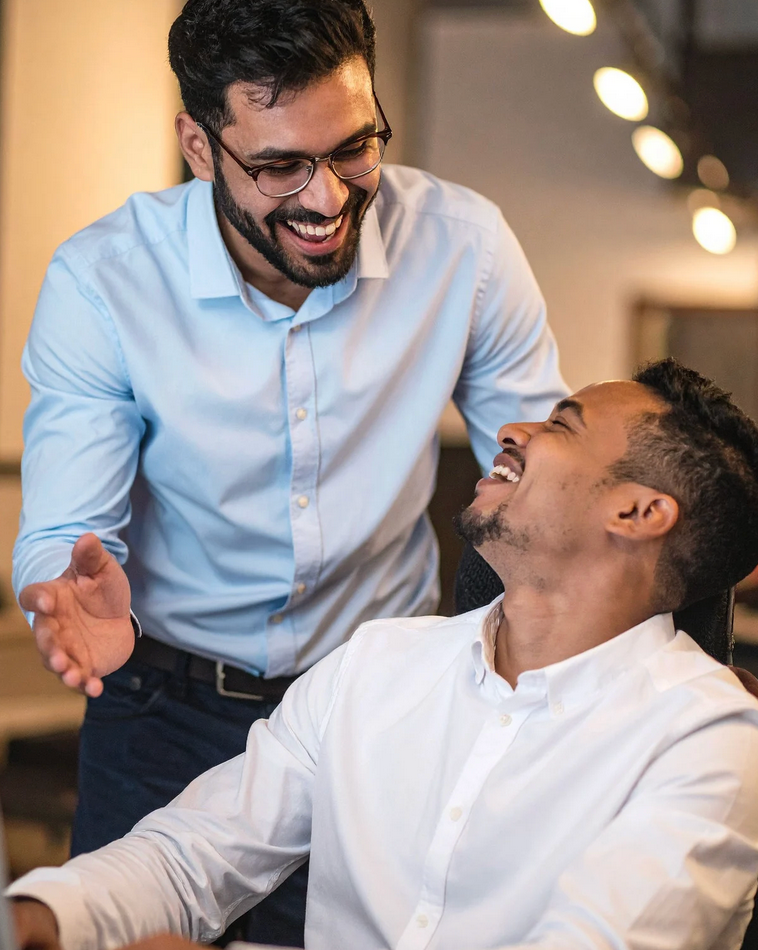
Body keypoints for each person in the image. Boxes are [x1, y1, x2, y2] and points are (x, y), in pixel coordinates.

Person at [12, 0, 566, 944]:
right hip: (161, 707)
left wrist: (651, 666)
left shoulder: (463, 248)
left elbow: (545, 483)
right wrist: (66, 585)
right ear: (198, 144)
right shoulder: (105, 281)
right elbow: (69, 526)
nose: (325, 197)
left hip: (375, 704)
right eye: (279, 167)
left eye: (352, 149)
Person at [9, 358, 758, 950]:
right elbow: (191, 857)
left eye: (562, 423)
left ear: (637, 512)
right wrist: (40, 916)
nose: (514, 429)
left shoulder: (711, 740)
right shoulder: (377, 662)